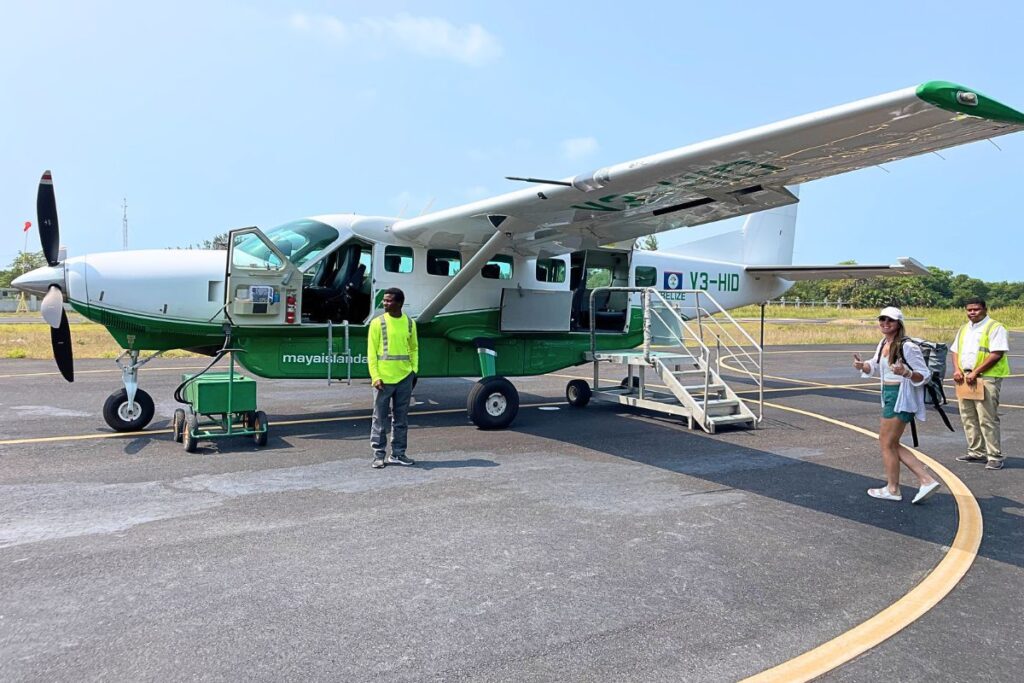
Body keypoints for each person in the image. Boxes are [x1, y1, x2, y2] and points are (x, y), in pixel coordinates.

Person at [853, 307, 942, 503]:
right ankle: (922, 480)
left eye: (890, 320)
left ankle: (896, 488)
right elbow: (874, 365)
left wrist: (907, 373)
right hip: (889, 395)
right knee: (889, 442)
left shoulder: (907, 346)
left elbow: (924, 374)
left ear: (898, 323)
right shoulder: (884, 342)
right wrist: (863, 366)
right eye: (882, 319)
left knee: (886, 442)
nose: (885, 323)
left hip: (900, 396)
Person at [950, 297, 1010, 470]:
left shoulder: (994, 327)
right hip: (965, 377)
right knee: (968, 416)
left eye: (976, 309)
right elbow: (955, 350)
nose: (972, 313)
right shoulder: (964, 329)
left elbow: (996, 353)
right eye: (969, 310)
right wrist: (957, 370)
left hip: (986, 377)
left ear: (984, 309)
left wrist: (976, 372)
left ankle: (994, 455)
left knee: (987, 417)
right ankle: (976, 451)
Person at [367, 287, 418, 469]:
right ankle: (378, 455)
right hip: (383, 380)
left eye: (389, 301)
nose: (385, 303)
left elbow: (413, 348)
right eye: (384, 300)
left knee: (401, 419)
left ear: (399, 303)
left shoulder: (410, 324)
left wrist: (414, 370)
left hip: (404, 377)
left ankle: (398, 454)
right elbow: (371, 353)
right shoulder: (377, 323)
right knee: (379, 419)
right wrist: (375, 376)